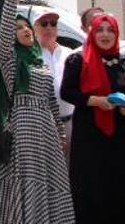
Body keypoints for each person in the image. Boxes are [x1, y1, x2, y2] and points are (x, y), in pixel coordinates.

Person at [0, 0, 74, 224]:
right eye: (19, 28)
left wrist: (60, 134)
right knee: (27, 180)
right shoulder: (10, 59)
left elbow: (51, 100)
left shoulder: (38, 61)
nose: (25, 30)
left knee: (52, 180)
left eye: (26, 26)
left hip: (47, 130)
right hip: (22, 126)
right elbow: (4, 34)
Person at [60, 13, 125, 223]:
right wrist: (96, 101)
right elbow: (67, 92)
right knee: (92, 189)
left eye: (110, 30)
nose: (105, 34)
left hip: (123, 136)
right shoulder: (78, 60)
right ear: (91, 32)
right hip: (90, 137)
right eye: (100, 30)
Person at [34, 12, 75, 154]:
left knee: (72, 171)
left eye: (53, 24)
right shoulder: (30, 55)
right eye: (44, 24)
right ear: (35, 28)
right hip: (43, 126)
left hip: (70, 123)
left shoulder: (69, 54)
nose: (49, 27)